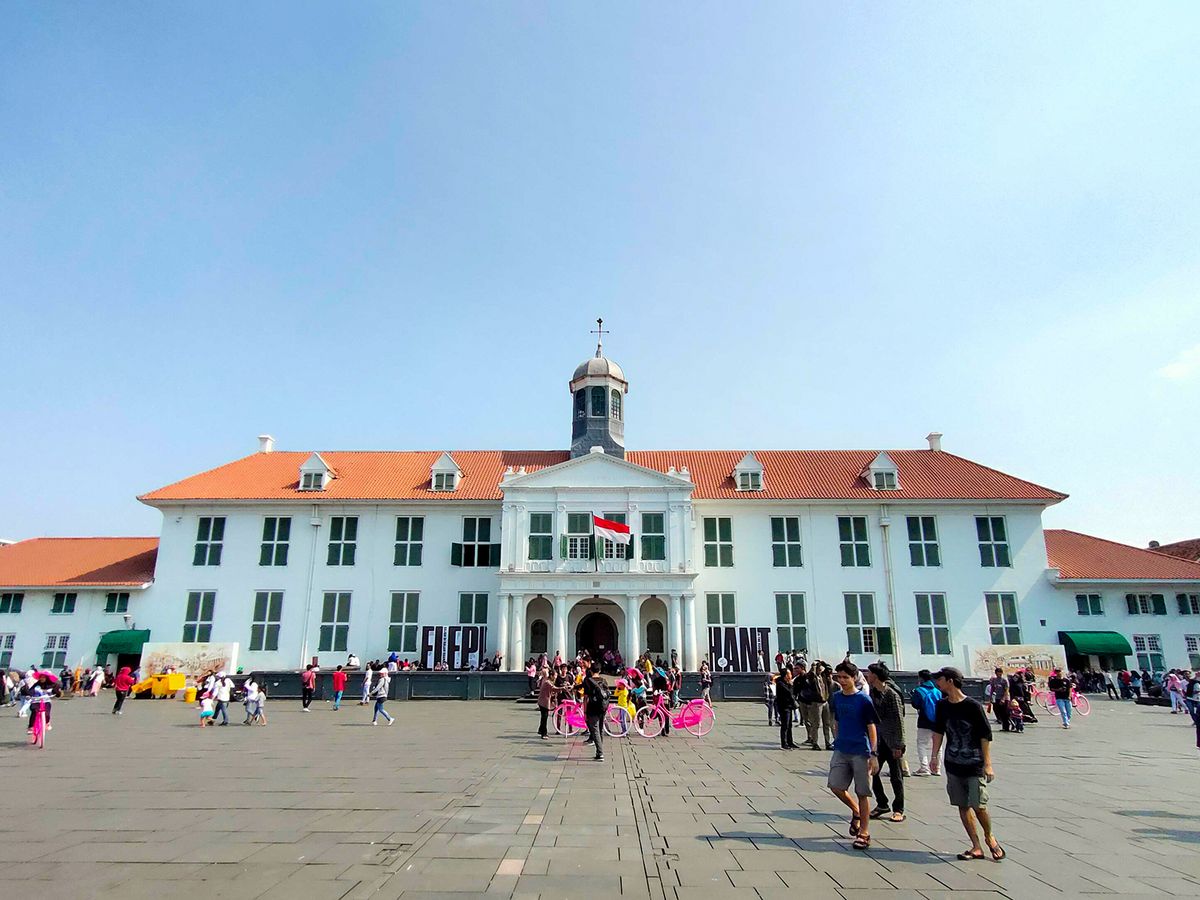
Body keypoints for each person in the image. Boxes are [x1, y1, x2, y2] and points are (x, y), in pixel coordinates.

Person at [930, 666, 1003, 862]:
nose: (938, 683)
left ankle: (990, 837)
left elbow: (985, 735)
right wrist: (934, 756)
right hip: (953, 762)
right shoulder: (942, 705)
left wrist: (988, 764)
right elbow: (938, 731)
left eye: (940, 679)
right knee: (962, 805)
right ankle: (976, 845)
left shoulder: (972, 706)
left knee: (979, 805)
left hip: (974, 763)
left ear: (950, 681)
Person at [827, 661, 880, 850]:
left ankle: (864, 832)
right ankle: (855, 811)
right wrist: (837, 737)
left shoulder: (863, 700)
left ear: (854, 678)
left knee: (863, 792)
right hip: (842, 748)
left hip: (860, 750)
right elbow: (838, 720)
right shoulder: (837, 697)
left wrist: (873, 753)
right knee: (835, 785)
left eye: (845, 677)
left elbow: (871, 726)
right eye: (839, 677)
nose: (842, 681)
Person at [865, 662, 906, 822]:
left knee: (896, 776)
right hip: (878, 741)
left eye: (869, 673)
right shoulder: (873, 693)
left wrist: (899, 745)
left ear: (875, 675)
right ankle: (882, 803)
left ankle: (899, 809)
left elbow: (899, 720)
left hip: (892, 741)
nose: (867, 676)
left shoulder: (891, 694)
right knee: (873, 772)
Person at [910, 670, 943, 775]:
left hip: (924, 721)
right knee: (937, 745)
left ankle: (924, 767)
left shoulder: (919, 690)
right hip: (937, 721)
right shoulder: (937, 691)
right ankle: (936, 768)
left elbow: (915, 704)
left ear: (920, 678)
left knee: (922, 743)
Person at [581, 665, 609, 761]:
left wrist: (584, 711)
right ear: (600, 670)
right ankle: (599, 751)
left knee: (595, 729)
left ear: (591, 671)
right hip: (602, 708)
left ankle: (600, 753)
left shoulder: (588, 681)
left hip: (592, 708)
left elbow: (585, 697)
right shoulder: (604, 680)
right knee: (600, 729)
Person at [775, 668, 798, 750]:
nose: (791, 675)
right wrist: (790, 685)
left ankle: (790, 741)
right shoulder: (780, 683)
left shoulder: (787, 683)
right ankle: (784, 743)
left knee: (790, 725)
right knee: (785, 725)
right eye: (789, 674)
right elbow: (788, 693)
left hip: (789, 706)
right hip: (784, 706)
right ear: (785, 675)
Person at [987, 668, 1011, 732]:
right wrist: (991, 697)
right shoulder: (994, 680)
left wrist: (1003, 699)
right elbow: (992, 688)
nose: (999, 674)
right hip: (997, 698)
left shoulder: (1004, 680)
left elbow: (1006, 690)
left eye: (1000, 672)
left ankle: (1007, 726)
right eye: (998, 673)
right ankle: (1003, 725)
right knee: (999, 712)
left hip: (1004, 698)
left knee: (1004, 713)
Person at [537, 667, 555, 739]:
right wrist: (562, 688)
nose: (555, 677)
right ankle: (544, 733)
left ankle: (541, 730)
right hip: (543, 702)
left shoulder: (547, 681)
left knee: (544, 717)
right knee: (544, 717)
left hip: (543, 701)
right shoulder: (548, 682)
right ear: (551, 675)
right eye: (555, 675)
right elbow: (554, 688)